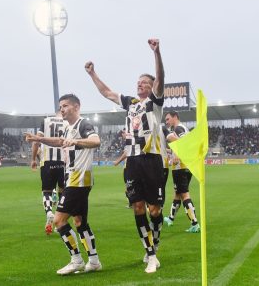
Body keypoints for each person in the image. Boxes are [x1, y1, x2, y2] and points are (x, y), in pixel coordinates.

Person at [84, 38, 165, 274]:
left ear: (152, 87)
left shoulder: (155, 102)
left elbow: (160, 76)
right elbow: (107, 92)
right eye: (138, 82)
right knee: (138, 207)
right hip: (132, 162)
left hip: (151, 161)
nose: (140, 85)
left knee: (155, 211)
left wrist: (157, 53)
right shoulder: (130, 103)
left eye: (144, 83)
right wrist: (93, 74)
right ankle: (150, 255)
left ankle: (155, 243)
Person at [25, 94, 102, 275]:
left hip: (78, 179)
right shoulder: (68, 127)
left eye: (65, 105)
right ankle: (94, 261)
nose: (62, 109)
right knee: (80, 221)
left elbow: (96, 141)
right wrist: (39, 139)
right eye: (61, 106)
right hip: (74, 179)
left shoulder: (83, 124)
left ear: (76, 107)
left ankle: (76, 260)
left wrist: (76, 141)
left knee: (59, 220)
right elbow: (60, 142)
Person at [30, 113, 68, 235]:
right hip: (63, 162)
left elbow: (36, 141)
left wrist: (33, 159)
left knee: (47, 191)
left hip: (47, 161)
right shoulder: (67, 123)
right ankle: (59, 220)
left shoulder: (46, 121)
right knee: (62, 190)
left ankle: (49, 212)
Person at [163, 111, 200, 233]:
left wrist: (177, 154)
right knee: (177, 193)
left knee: (184, 194)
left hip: (180, 167)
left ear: (175, 117)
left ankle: (194, 223)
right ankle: (171, 218)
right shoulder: (183, 128)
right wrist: (171, 152)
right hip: (185, 165)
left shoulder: (178, 128)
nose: (166, 121)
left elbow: (183, 143)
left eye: (168, 119)